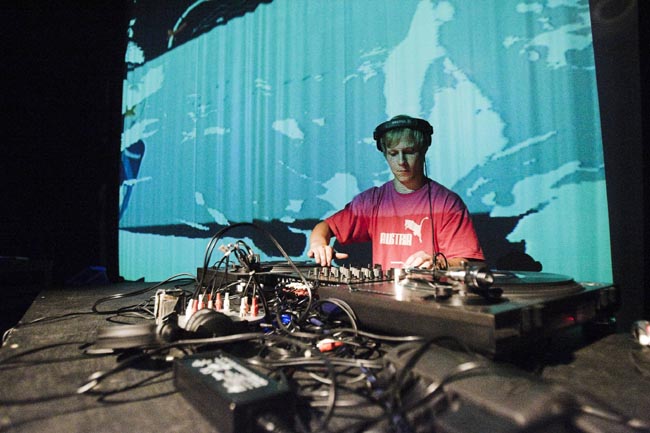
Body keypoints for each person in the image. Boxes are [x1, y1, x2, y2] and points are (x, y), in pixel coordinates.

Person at [307, 115, 484, 270]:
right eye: (393, 153)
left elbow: (471, 264)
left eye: (409, 152)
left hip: (430, 296)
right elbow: (324, 227)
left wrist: (438, 263)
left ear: (424, 150)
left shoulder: (447, 203)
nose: (401, 161)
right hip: (383, 296)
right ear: (384, 154)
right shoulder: (373, 201)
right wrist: (318, 244)